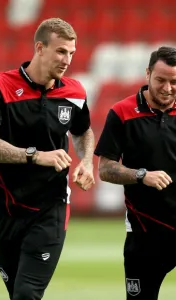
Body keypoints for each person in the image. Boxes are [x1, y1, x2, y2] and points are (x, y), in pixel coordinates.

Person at [0, 18, 95, 300]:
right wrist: (36, 156)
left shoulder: (75, 92)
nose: (67, 60)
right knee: (17, 293)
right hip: (3, 206)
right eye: (61, 51)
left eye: (72, 53)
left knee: (27, 294)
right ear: (40, 48)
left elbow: (83, 130)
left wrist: (86, 161)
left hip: (50, 207)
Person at [94, 46, 176, 300]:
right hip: (144, 235)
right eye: (161, 80)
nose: (167, 88)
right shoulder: (122, 112)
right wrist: (142, 175)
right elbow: (105, 169)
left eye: (174, 82)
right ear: (147, 74)